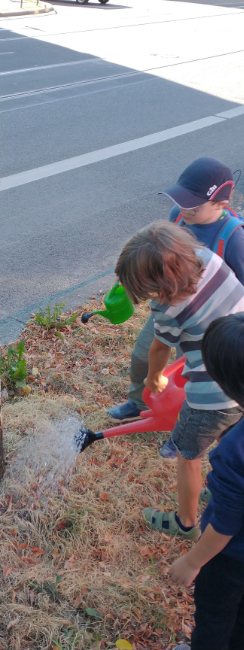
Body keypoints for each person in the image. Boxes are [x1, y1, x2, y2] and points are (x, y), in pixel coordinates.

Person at [113, 221, 244, 541]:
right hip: (240, 371)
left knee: (188, 456)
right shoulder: (209, 258)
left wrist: (153, 378)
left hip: (212, 392)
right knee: (232, 439)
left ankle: (185, 522)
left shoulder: (169, 307)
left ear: (159, 282)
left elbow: (159, 348)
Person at [108, 157, 244, 429]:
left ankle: (184, 424)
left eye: (193, 204)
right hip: (170, 307)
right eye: (181, 199)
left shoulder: (234, 238)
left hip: (211, 325)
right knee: (143, 354)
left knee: (194, 377)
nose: (183, 208)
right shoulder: (177, 217)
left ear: (220, 204)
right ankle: (139, 400)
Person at [169, 313, 244, 650]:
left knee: (215, 616)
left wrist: (192, 561)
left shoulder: (234, 451)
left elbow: (227, 523)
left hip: (231, 559)